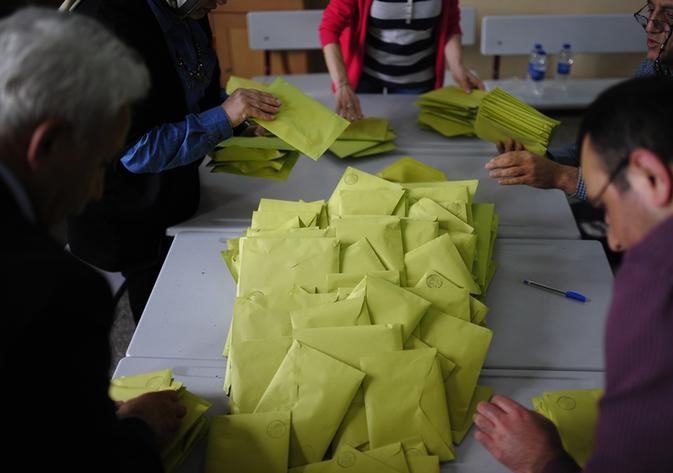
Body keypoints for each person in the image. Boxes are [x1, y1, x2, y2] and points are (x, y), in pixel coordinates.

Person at [473, 76, 673, 472]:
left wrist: (543, 460)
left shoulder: (667, 284)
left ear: (650, 176)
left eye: (606, 206)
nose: (615, 239)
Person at [0, 7, 186, 471]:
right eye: (100, 162)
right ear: (49, 145)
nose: (98, 189)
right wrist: (136, 428)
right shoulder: (56, 292)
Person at [67, 0, 281, 323]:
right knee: (162, 317)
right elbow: (137, 151)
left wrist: (239, 115)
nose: (221, 3)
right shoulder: (109, 27)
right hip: (126, 212)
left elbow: (193, 90)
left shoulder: (188, 8)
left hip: (176, 191)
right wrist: (225, 117)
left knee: (203, 292)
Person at [484, 0, 673, 201]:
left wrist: (563, 177)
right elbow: (613, 144)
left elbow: (666, 198)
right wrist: (547, 158)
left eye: (670, 15)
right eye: (651, 9)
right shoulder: (655, 67)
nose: (651, 26)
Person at [319, 0, 483, 120]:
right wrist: (342, 83)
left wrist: (457, 66)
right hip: (366, 79)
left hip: (419, 80)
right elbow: (330, 28)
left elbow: (450, 26)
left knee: (414, 140)